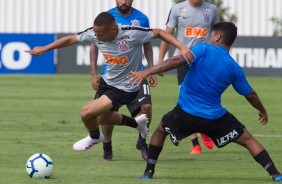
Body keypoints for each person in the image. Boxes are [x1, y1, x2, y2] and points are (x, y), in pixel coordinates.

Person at [129, 22, 282, 182]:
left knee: (160, 131)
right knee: (248, 139)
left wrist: (148, 71)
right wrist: (262, 110)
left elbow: (175, 61)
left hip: (185, 114)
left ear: (217, 37)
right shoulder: (234, 67)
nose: (210, 38)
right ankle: (275, 173)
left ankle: (149, 172)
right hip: (214, 118)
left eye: (211, 35)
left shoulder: (203, 49)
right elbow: (250, 94)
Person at [25, 12, 193, 158]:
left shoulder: (132, 33)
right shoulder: (94, 33)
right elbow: (71, 39)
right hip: (108, 81)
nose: (96, 37)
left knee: (86, 113)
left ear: (113, 29)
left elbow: (159, 32)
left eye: (100, 34)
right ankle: (137, 124)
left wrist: (182, 47)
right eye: (95, 33)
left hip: (125, 87)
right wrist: (45, 48)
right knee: (102, 118)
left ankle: (95, 137)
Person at [90, 0, 154, 161]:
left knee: (146, 107)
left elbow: (147, 44)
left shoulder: (142, 19)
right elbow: (94, 44)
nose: (124, 1)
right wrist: (93, 73)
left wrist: (151, 69)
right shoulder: (106, 18)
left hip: (136, 74)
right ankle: (107, 146)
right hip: (112, 77)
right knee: (105, 115)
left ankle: (142, 142)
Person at [158, 0, 220, 154]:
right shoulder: (178, 9)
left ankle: (205, 130)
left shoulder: (212, 10)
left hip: (204, 62)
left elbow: (219, 35)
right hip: (183, 61)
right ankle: (195, 144)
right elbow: (167, 35)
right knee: (186, 100)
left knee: (206, 97)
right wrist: (160, 61)